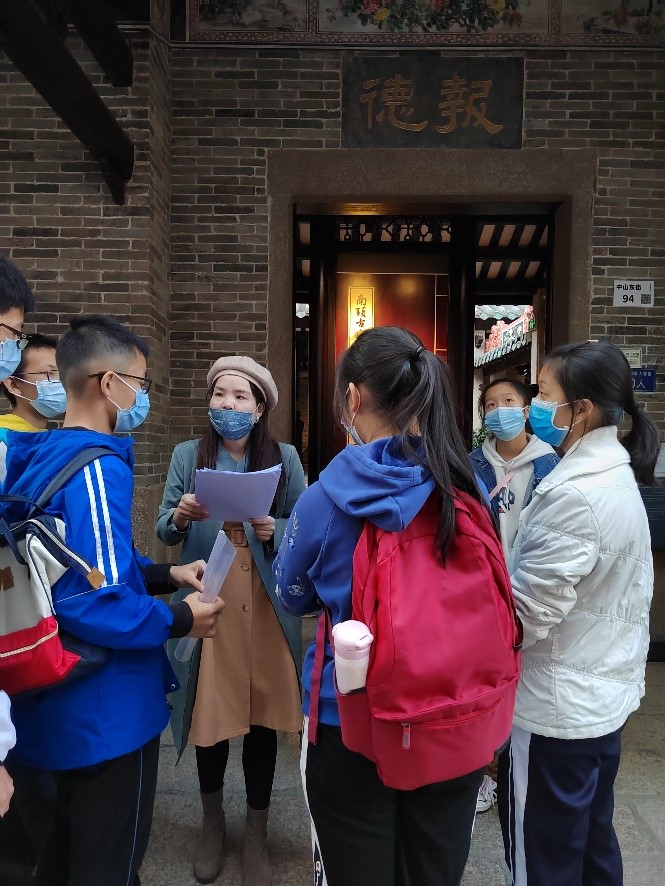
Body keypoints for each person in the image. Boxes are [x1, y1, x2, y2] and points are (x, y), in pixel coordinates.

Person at [2, 314, 225, 886]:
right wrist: (180, 618)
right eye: (140, 384)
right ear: (108, 384)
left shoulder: (33, 454)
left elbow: (83, 564)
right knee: (109, 867)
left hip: (40, 706)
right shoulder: (98, 465)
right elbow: (94, 599)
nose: (141, 398)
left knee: (53, 865)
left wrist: (165, 573)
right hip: (104, 715)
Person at [274, 326, 493, 886]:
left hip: (348, 719)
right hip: (453, 715)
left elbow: (291, 595)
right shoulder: (467, 485)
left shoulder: (326, 498)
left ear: (353, 399)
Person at [497, 340, 659, 886]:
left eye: (544, 394)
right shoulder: (613, 473)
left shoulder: (576, 493)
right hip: (597, 697)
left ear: (581, 409)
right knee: (590, 842)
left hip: (556, 709)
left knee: (544, 859)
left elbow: (527, 615)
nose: (533, 407)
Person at [156, 355, 305, 886]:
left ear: (260, 407)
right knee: (211, 716)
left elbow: (303, 523)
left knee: (262, 716)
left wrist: (273, 528)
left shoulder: (283, 457)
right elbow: (165, 529)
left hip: (264, 603)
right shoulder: (187, 454)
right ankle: (213, 824)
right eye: (220, 394)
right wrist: (180, 515)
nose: (228, 404)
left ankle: (256, 833)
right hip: (209, 596)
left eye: (241, 396)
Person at [469, 377, 558, 812]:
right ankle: (486, 773)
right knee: (485, 684)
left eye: (508, 401)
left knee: (526, 684)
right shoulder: (471, 465)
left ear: (526, 410)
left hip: (529, 592)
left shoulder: (551, 465)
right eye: (490, 404)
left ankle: (515, 770)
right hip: (483, 593)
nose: (499, 409)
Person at [0, 332, 64, 482]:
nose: (60, 383)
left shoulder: (48, 440)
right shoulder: (4, 444)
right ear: (13, 384)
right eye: (49, 373)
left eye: (62, 374)